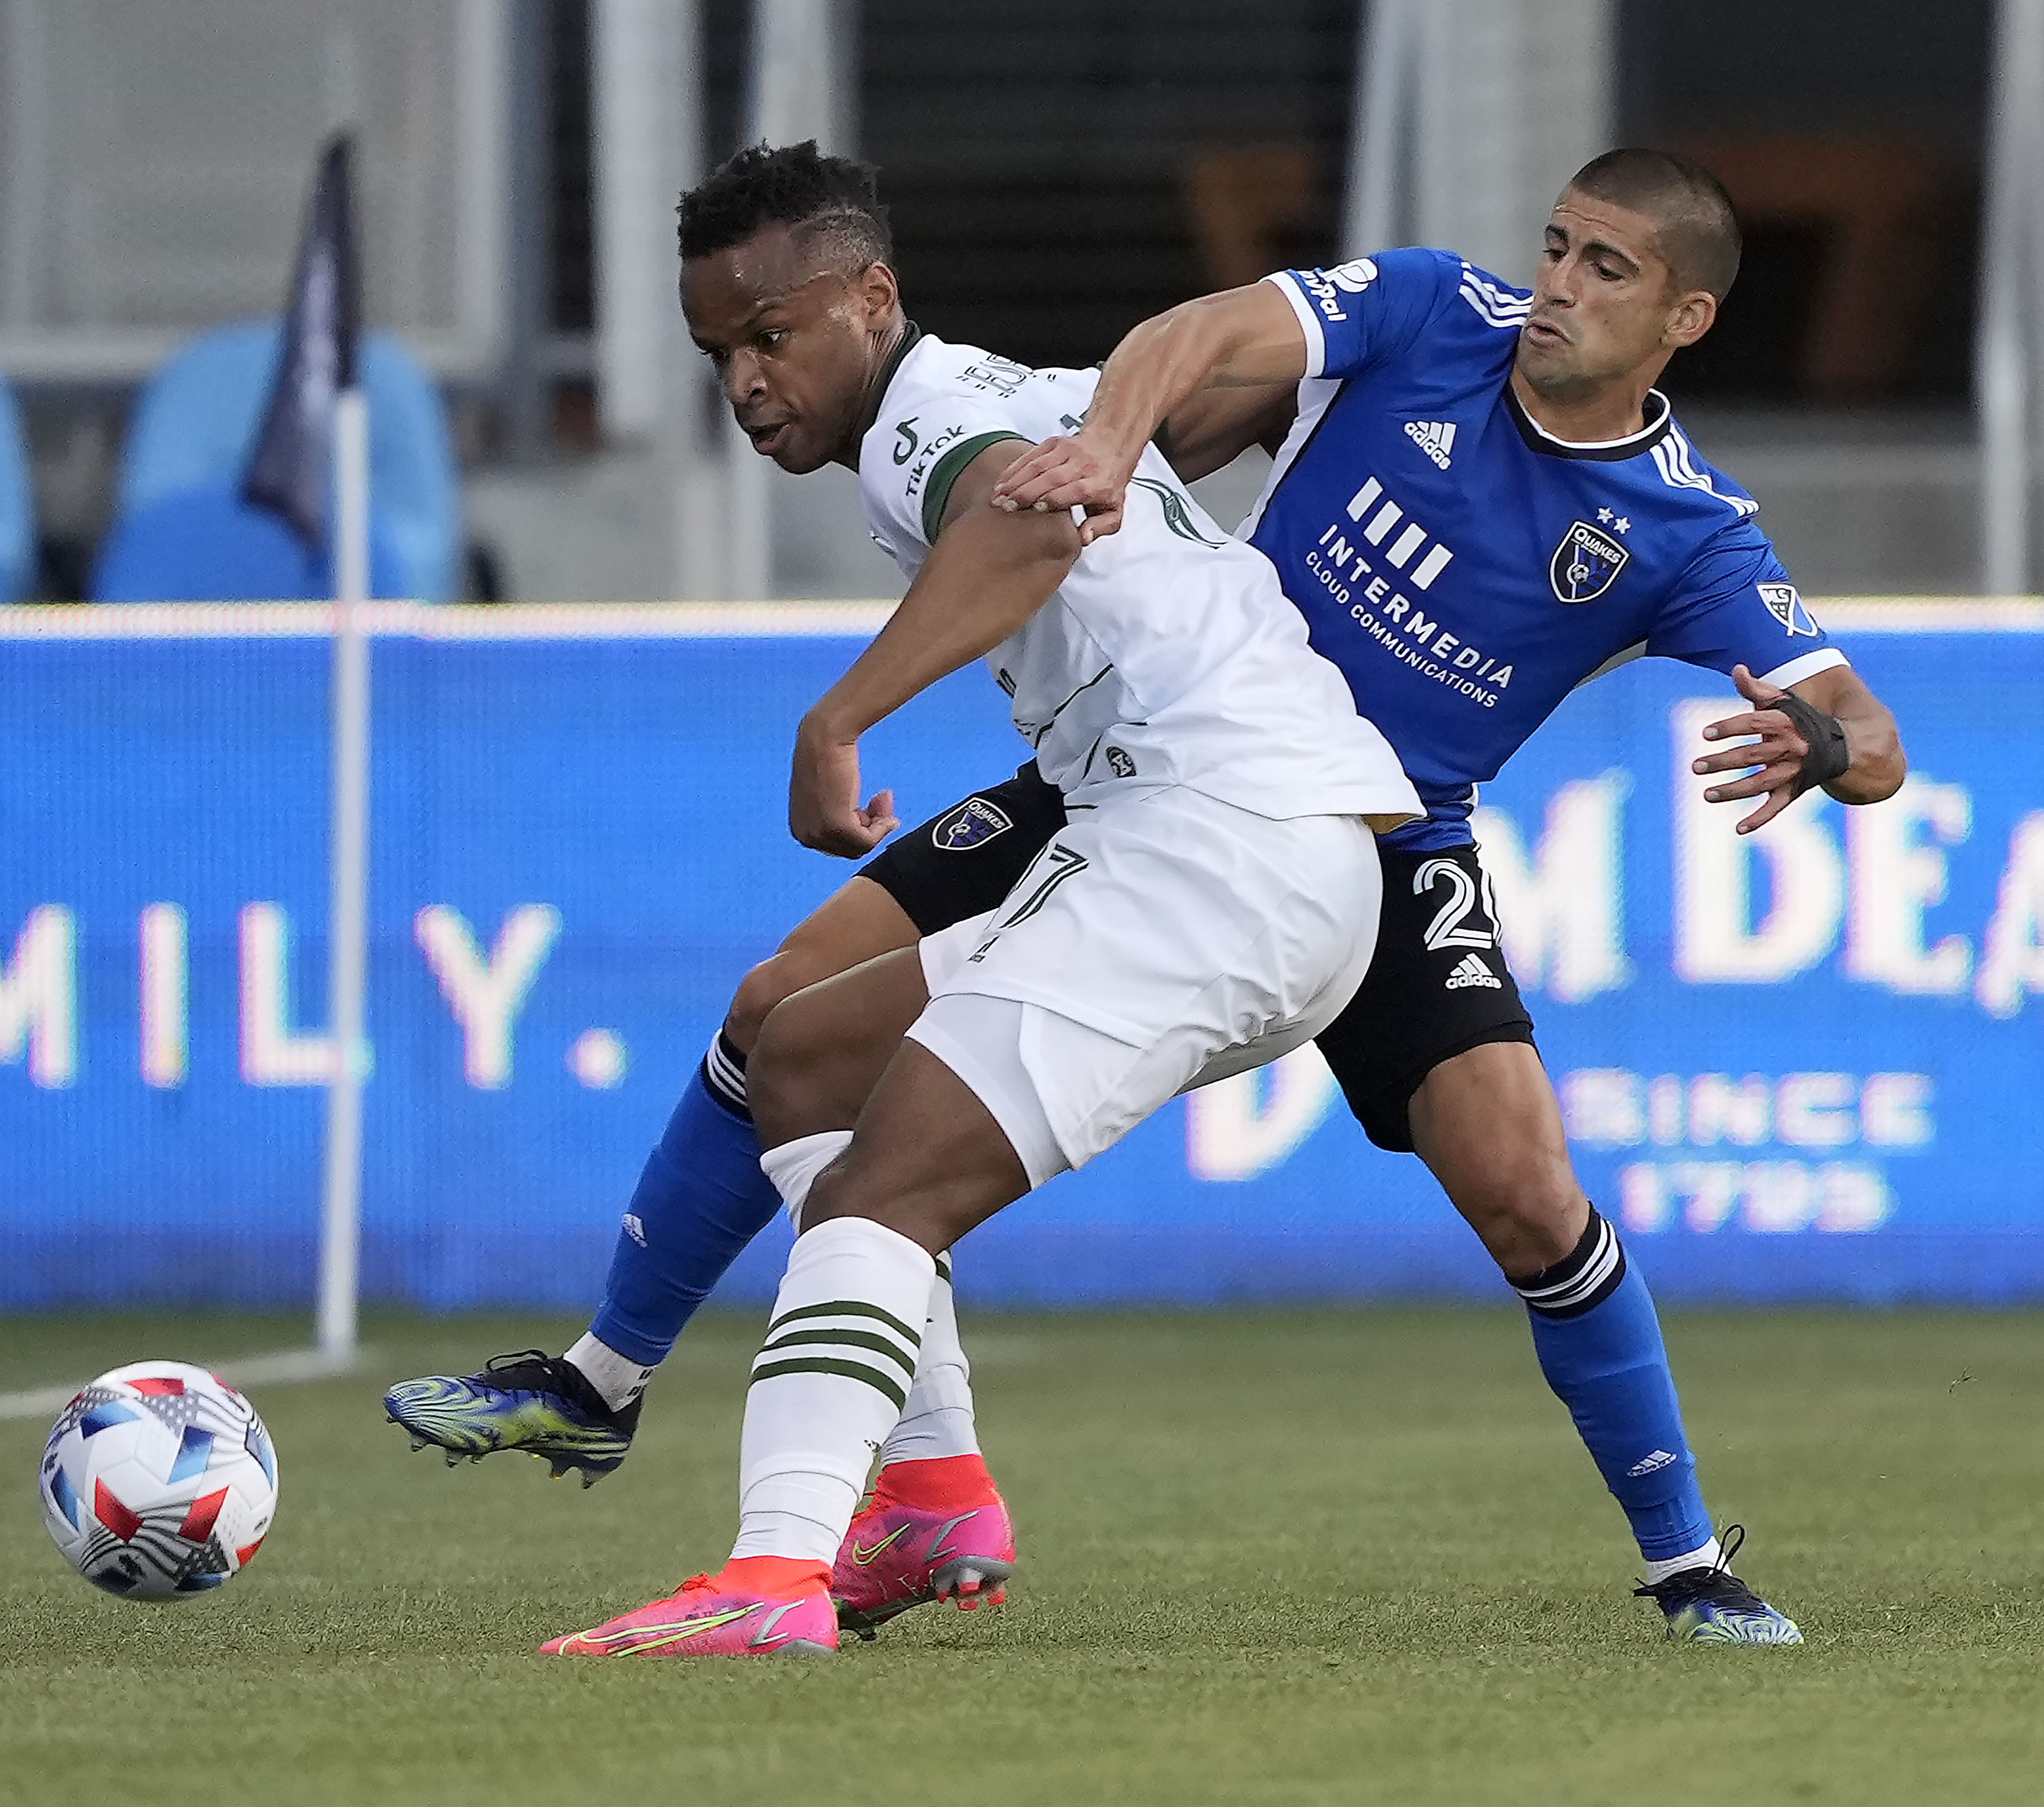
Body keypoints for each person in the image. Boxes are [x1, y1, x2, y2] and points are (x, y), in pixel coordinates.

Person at [389, 144, 1908, 1648]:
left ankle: (1685, 1558)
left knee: (1524, 1196)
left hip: (1361, 821)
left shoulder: (1684, 525)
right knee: (786, 1016)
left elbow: (1871, 735)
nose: (1556, 287)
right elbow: (1192, 337)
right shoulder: (1439, 314)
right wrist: (1116, 442)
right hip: (1144, 749)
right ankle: (612, 1384)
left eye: (1604, 269)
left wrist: (1821, 740)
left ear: (1681, 322)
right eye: (1556, 245)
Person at [530, 138, 1419, 1657]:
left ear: (871, 300)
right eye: (715, 354)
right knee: (807, 1049)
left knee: (885, 1191)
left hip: (1215, 843)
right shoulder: (1012, 388)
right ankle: (931, 1495)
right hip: (1260, 843)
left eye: (769, 336)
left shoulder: (935, 422)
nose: (744, 382)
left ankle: (770, 1579)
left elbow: (1029, 520)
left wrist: (837, 718)